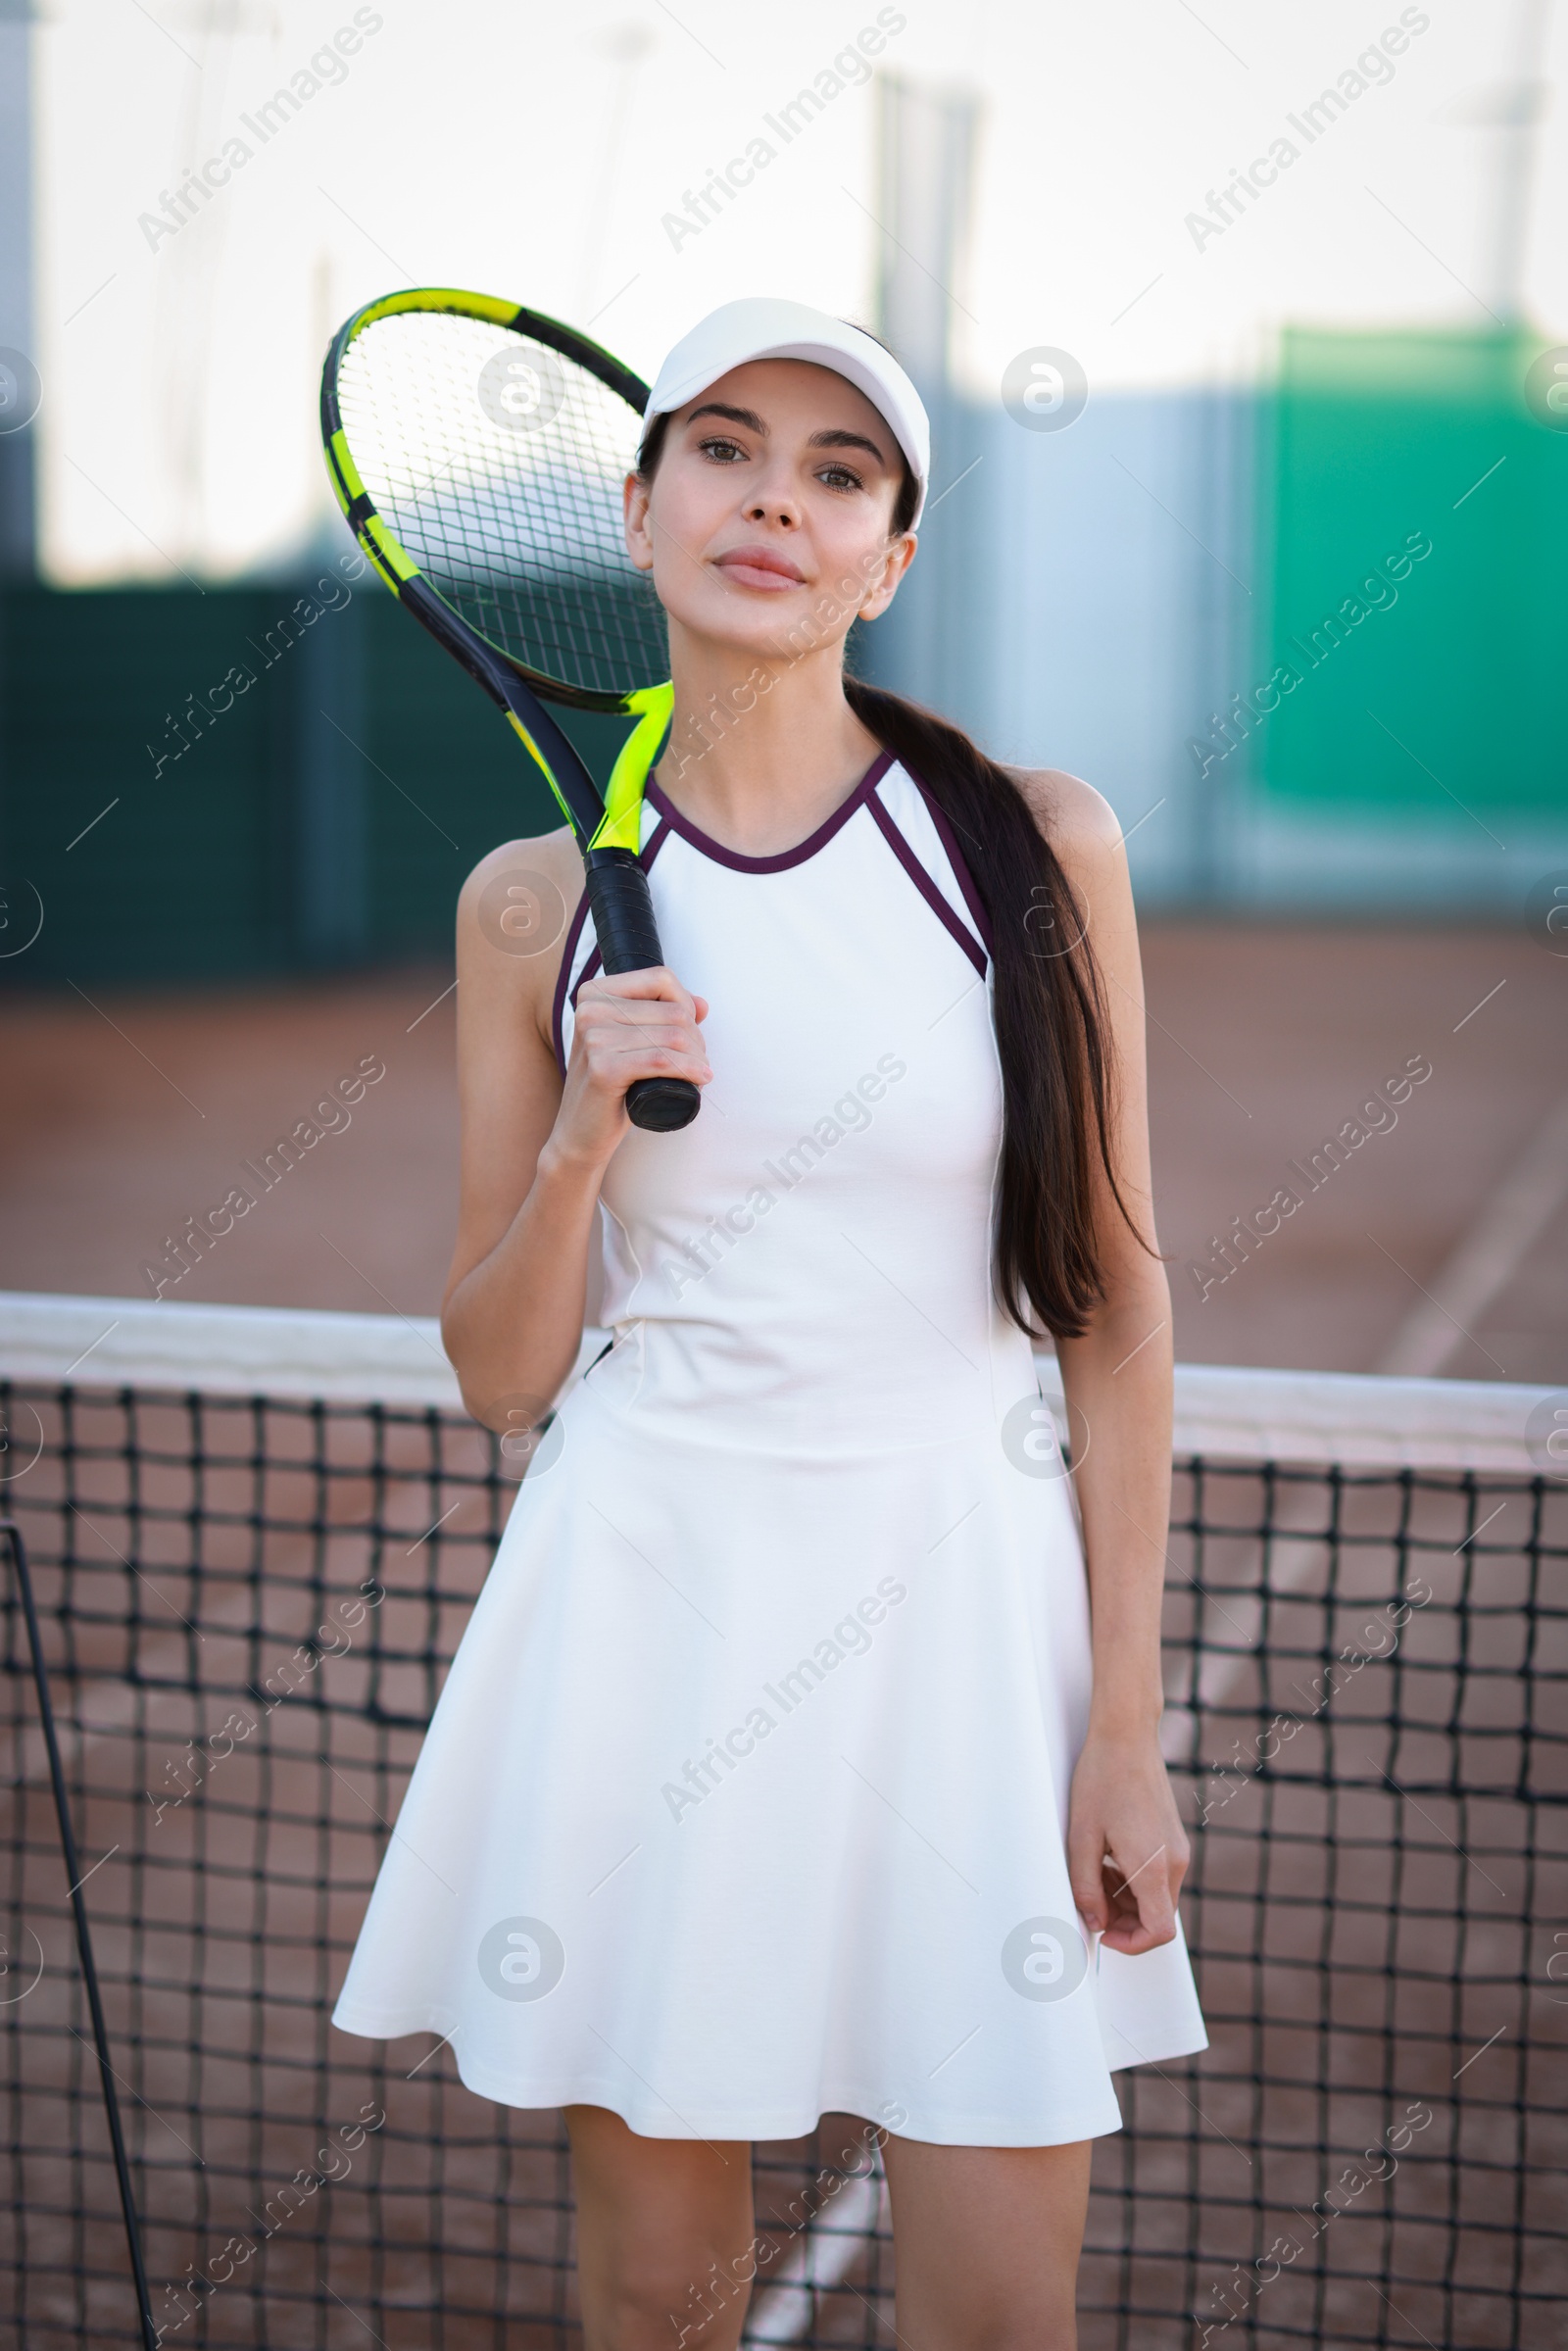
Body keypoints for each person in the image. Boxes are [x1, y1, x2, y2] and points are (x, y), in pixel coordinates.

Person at [331, 296, 1206, 2350]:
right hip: (648, 1601)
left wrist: (1123, 1727)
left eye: (837, 477)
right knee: (659, 2300)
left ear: (887, 562)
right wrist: (573, 1139)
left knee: (1000, 2308)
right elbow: (498, 1376)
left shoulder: (1034, 845)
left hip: (970, 1622)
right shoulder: (525, 906)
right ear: (638, 512)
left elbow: (1116, 1304)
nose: (773, 504)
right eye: (723, 452)